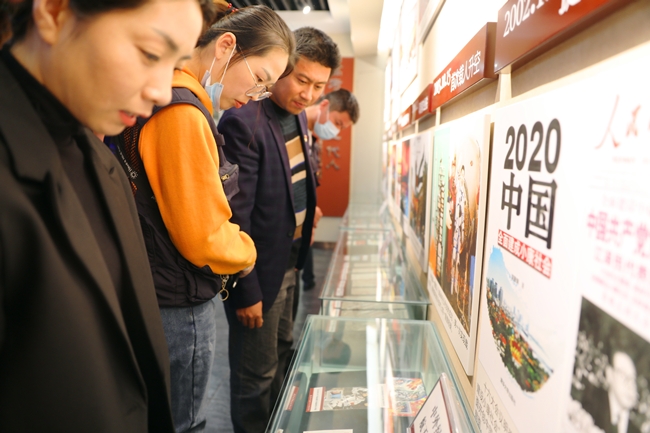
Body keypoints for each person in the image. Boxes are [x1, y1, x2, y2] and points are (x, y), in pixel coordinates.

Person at [0, 0, 209, 431]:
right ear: (54, 12)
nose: (162, 91)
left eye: (174, 65)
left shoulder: (99, 160)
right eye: (150, 54)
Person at [108, 3, 294, 432]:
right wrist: (246, 251)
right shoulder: (182, 112)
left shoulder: (174, 97)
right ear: (226, 46)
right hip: (177, 297)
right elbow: (202, 236)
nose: (255, 95)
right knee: (184, 420)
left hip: (155, 283)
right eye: (260, 78)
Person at [218, 26, 341, 433]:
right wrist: (246, 290)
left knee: (282, 356)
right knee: (255, 376)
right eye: (302, 80)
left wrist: (307, 208)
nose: (308, 94)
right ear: (284, 66)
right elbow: (236, 216)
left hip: (290, 262)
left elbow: (290, 181)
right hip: (259, 271)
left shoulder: (298, 116)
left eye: (319, 86)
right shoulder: (245, 119)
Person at [301, 88, 359, 292]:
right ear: (325, 106)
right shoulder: (292, 135)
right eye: (337, 123)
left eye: (342, 127)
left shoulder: (313, 141)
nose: (336, 131)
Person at [581, 350, 641, 433]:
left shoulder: (636, 431)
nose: (630, 386)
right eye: (623, 375)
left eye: (632, 379)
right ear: (609, 374)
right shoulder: (587, 408)